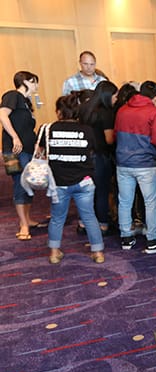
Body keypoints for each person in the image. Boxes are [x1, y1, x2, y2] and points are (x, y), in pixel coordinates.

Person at [42, 93, 105, 264]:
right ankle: (98, 253)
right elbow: (94, 150)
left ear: (59, 112)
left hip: (58, 182)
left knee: (57, 217)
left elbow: (40, 152)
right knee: (89, 217)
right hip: (84, 181)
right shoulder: (87, 130)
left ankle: (54, 253)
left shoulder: (48, 129)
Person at [114, 80, 156, 254]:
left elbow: (117, 134)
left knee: (125, 201)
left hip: (123, 162)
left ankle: (126, 237)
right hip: (145, 164)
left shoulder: (122, 110)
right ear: (155, 98)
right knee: (151, 202)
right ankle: (152, 240)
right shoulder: (155, 113)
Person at [0, 71, 42, 241]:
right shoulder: (13, 95)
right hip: (15, 149)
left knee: (28, 183)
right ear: (25, 81)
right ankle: (23, 223)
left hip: (28, 149)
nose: (36, 86)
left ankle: (28, 218)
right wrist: (15, 137)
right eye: (34, 82)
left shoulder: (26, 102)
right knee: (19, 182)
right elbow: (3, 115)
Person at [79, 80, 119, 235]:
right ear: (108, 95)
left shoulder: (84, 108)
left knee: (86, 192)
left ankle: (83, 223)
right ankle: (102, 224)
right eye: (115, 96)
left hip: (85, 155)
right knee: (102, 191)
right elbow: (109, 139)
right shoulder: (106, 112)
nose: (116, 99)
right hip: (100, 156)